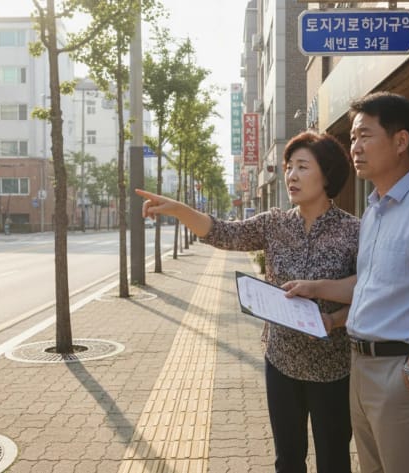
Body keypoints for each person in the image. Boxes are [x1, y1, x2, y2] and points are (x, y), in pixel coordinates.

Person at [136, 131, 360, 473]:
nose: (291, 175)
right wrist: (179, 210)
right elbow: (223, 233)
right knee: (288, 460)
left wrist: (333, 320)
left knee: (333, 461)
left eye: (303, 166)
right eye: (289, 167)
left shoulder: (353, 230)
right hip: (281, 361)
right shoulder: (274, 224)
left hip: (333, 367)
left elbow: (367, 291)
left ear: (327, 174)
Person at [282, 92, 409, 473]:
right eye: (352, 138)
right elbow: (369, 283)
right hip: (362, 369)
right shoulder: (375, 210)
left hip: (402, 370)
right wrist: (315, 288)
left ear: (401, 141)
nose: (355, 147)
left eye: (365, 136)